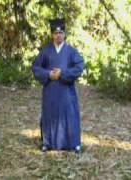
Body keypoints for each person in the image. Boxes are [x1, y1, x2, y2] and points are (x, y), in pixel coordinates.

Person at [32, 18, 84, 153]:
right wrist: (48, 74)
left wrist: (63, 73)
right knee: (49, 114)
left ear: (64, 34)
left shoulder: (71, 51)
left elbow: (79, 68)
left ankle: (74, 143)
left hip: (67, 91)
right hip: (51, 91)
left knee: (69, 115)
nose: (58, 35)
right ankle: (47, 142)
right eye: (55, 33)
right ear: (52, 35)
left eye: (61, 33)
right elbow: (36, 67)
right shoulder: (46, 51)